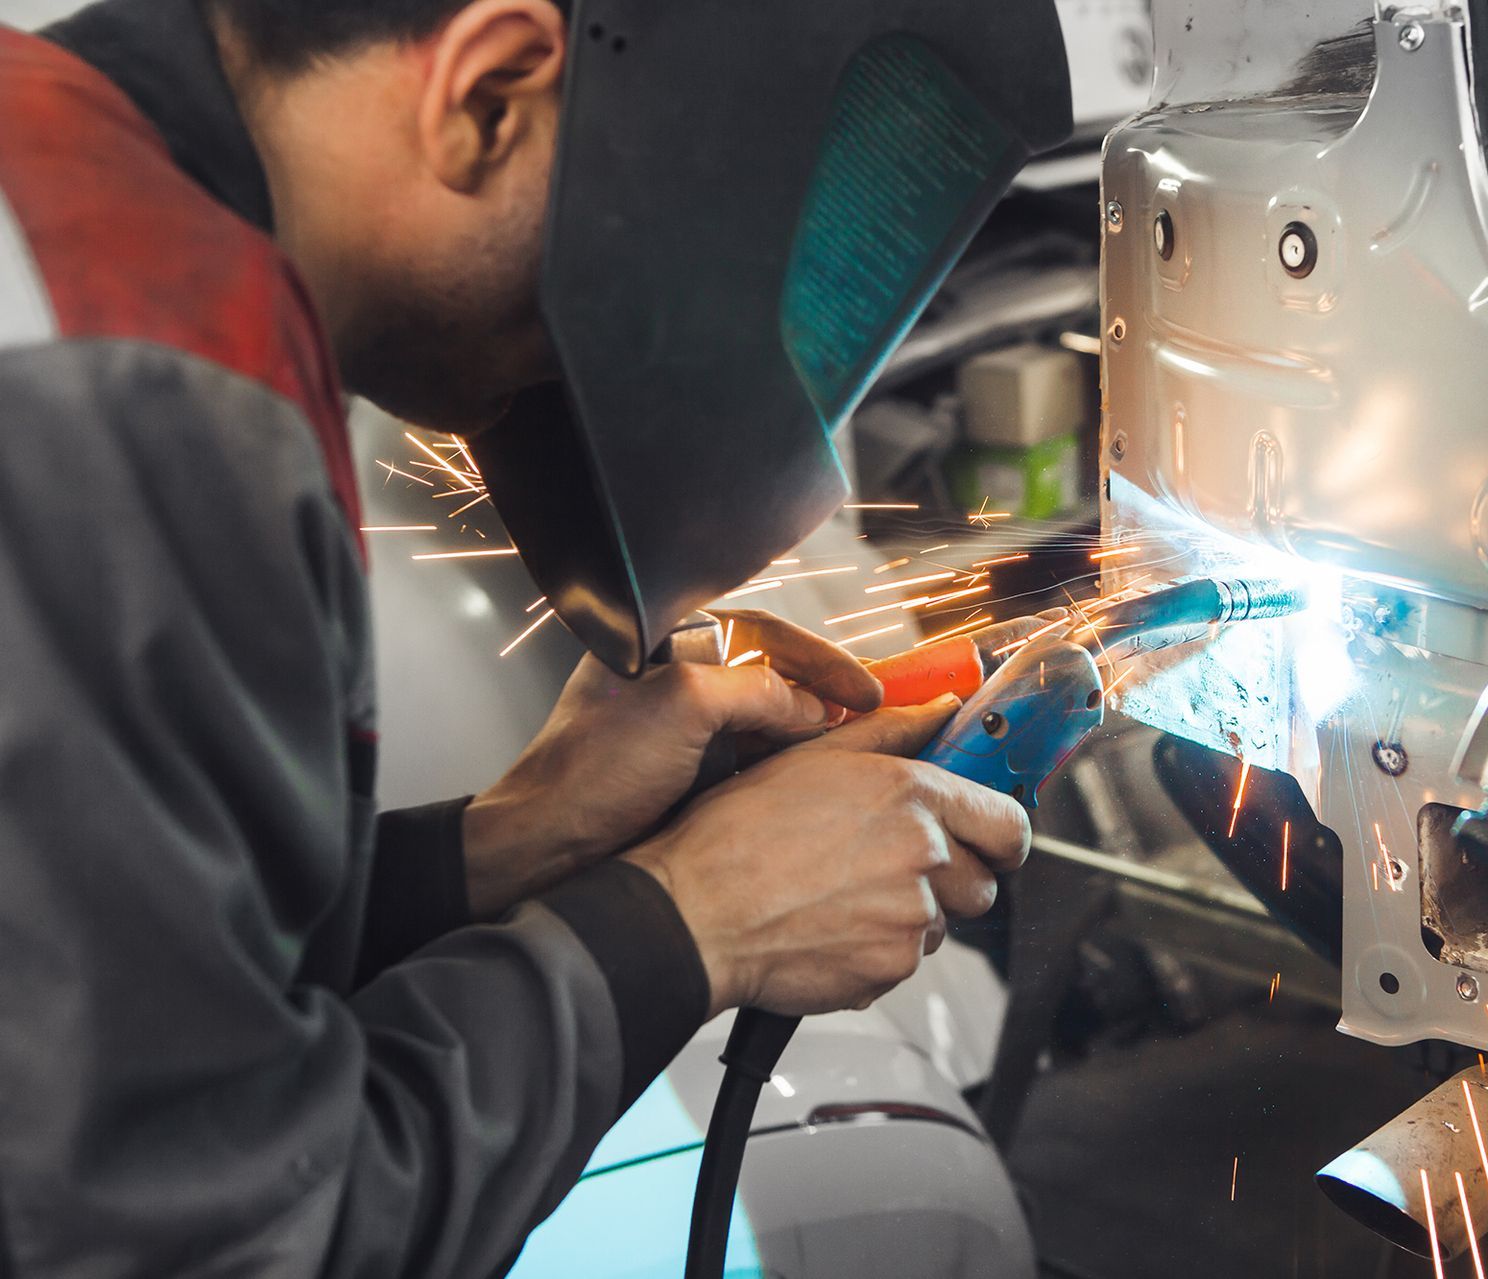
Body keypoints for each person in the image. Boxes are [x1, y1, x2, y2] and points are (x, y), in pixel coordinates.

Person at [0, 0, 1031, 1273]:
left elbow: (82, 990)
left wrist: (503, 843)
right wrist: (703, 917)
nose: (581, 353)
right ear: (491, 93)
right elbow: (229, 1241)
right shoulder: (138, 390)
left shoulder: (47, 179)